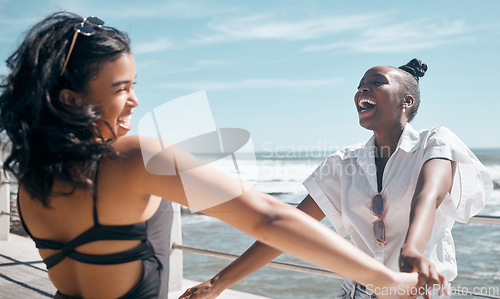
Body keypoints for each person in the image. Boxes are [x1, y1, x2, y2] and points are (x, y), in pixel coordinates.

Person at [0, 12, 438, 299]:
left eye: (134, 85)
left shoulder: (32, 177)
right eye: (121, 89)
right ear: (72, 99)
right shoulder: (130, 158)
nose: (134, 101)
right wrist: (388, 279)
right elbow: (271, 217)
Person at [180, 59, 492, 299]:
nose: (362, 89)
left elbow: (429, 194)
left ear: (406, 102)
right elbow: (289, 227)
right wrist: (216, 283)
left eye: (376, 83)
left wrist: (412, 250)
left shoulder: (435, 141)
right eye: (360, 85)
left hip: (420, 291)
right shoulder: (344, 163)